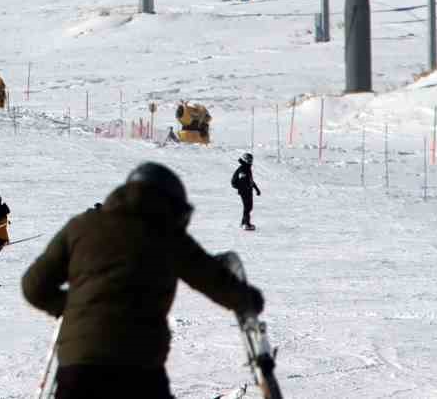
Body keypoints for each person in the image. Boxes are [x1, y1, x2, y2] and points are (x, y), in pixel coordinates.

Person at [22, 163, 265, 399]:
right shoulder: (166, 234)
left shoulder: (80, 227)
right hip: (139, 368)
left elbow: (33, 286)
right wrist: (250, 299)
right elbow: (214, 280)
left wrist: (73, 307)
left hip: (78, 367)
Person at [232, 153, 260, 230]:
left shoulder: (247, 168)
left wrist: (256, 189)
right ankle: (246, 224)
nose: (250, 161)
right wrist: (242, 188)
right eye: (249, 160)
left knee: (249, 207)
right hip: (244, 191)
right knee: (247, 207)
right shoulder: (243, 169)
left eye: (251, 160)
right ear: (245, 160)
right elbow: (238, 181)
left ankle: (243, 223)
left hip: (248, 190)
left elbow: (250, 180)